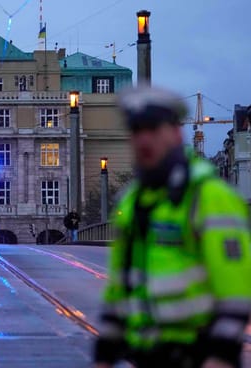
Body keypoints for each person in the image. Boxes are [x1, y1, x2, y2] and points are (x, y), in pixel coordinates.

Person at [93, 86, 251, 368]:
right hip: (145, 355)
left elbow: (237, 291)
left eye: (153, 128)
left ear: (176, 133)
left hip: (199, 355)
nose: (144, 139)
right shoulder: (132, 202)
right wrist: (104, 354)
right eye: (137, 130)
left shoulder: (210, 197)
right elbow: (120, 289)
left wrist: (220, 356)